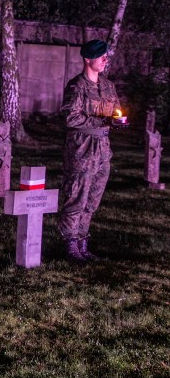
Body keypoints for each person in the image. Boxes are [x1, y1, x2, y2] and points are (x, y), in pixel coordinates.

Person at [58, 39, 120, 263]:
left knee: (92, 200)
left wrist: (117, 120)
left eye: (106, 56)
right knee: (76, 198)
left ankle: (83, 243)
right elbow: (70, 117)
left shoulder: (108, 86)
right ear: (88, 59)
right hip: (82, 149)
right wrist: (101, 121)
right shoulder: (77, 86)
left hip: (103, 150)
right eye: (101, 56)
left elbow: (115, 111)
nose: (105, 60)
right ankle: (70, 245)